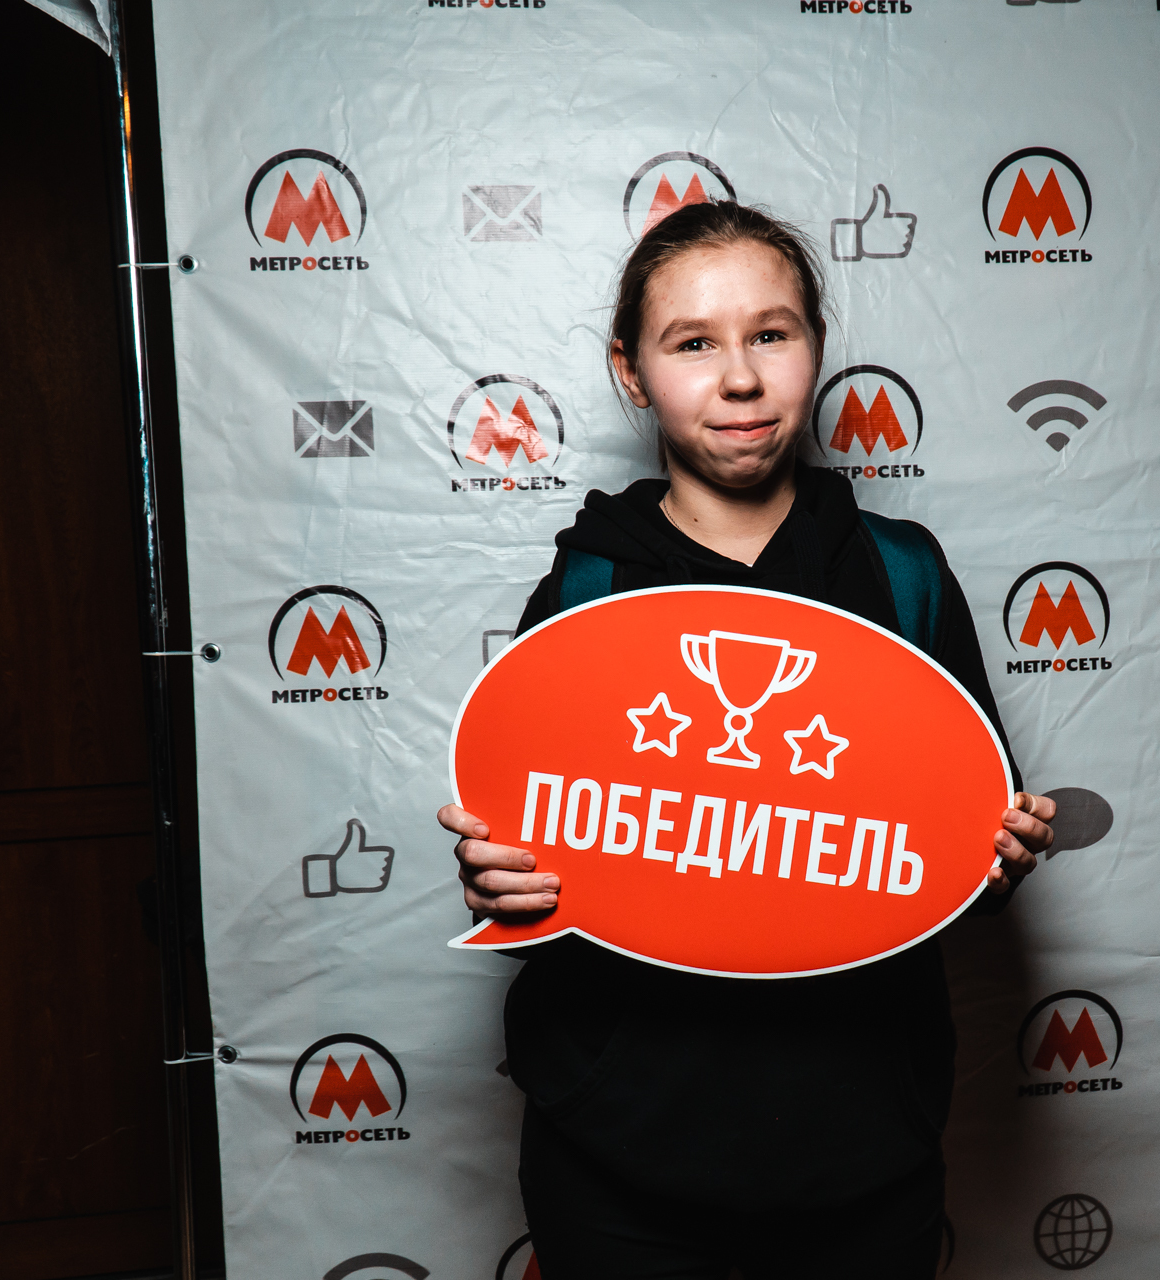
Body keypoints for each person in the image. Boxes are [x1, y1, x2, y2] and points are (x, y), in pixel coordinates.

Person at [438, 201, 1056, 1280]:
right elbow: (545, 872)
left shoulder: (901, 574)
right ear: (632, 372)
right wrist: (502, 880)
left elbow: (958, 856)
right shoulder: (589, 587)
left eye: (771, 333)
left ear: (815, 346)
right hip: (619, 1152)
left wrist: (998, 854)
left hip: (862, 1148)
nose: (739, 378)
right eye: (693, 343)